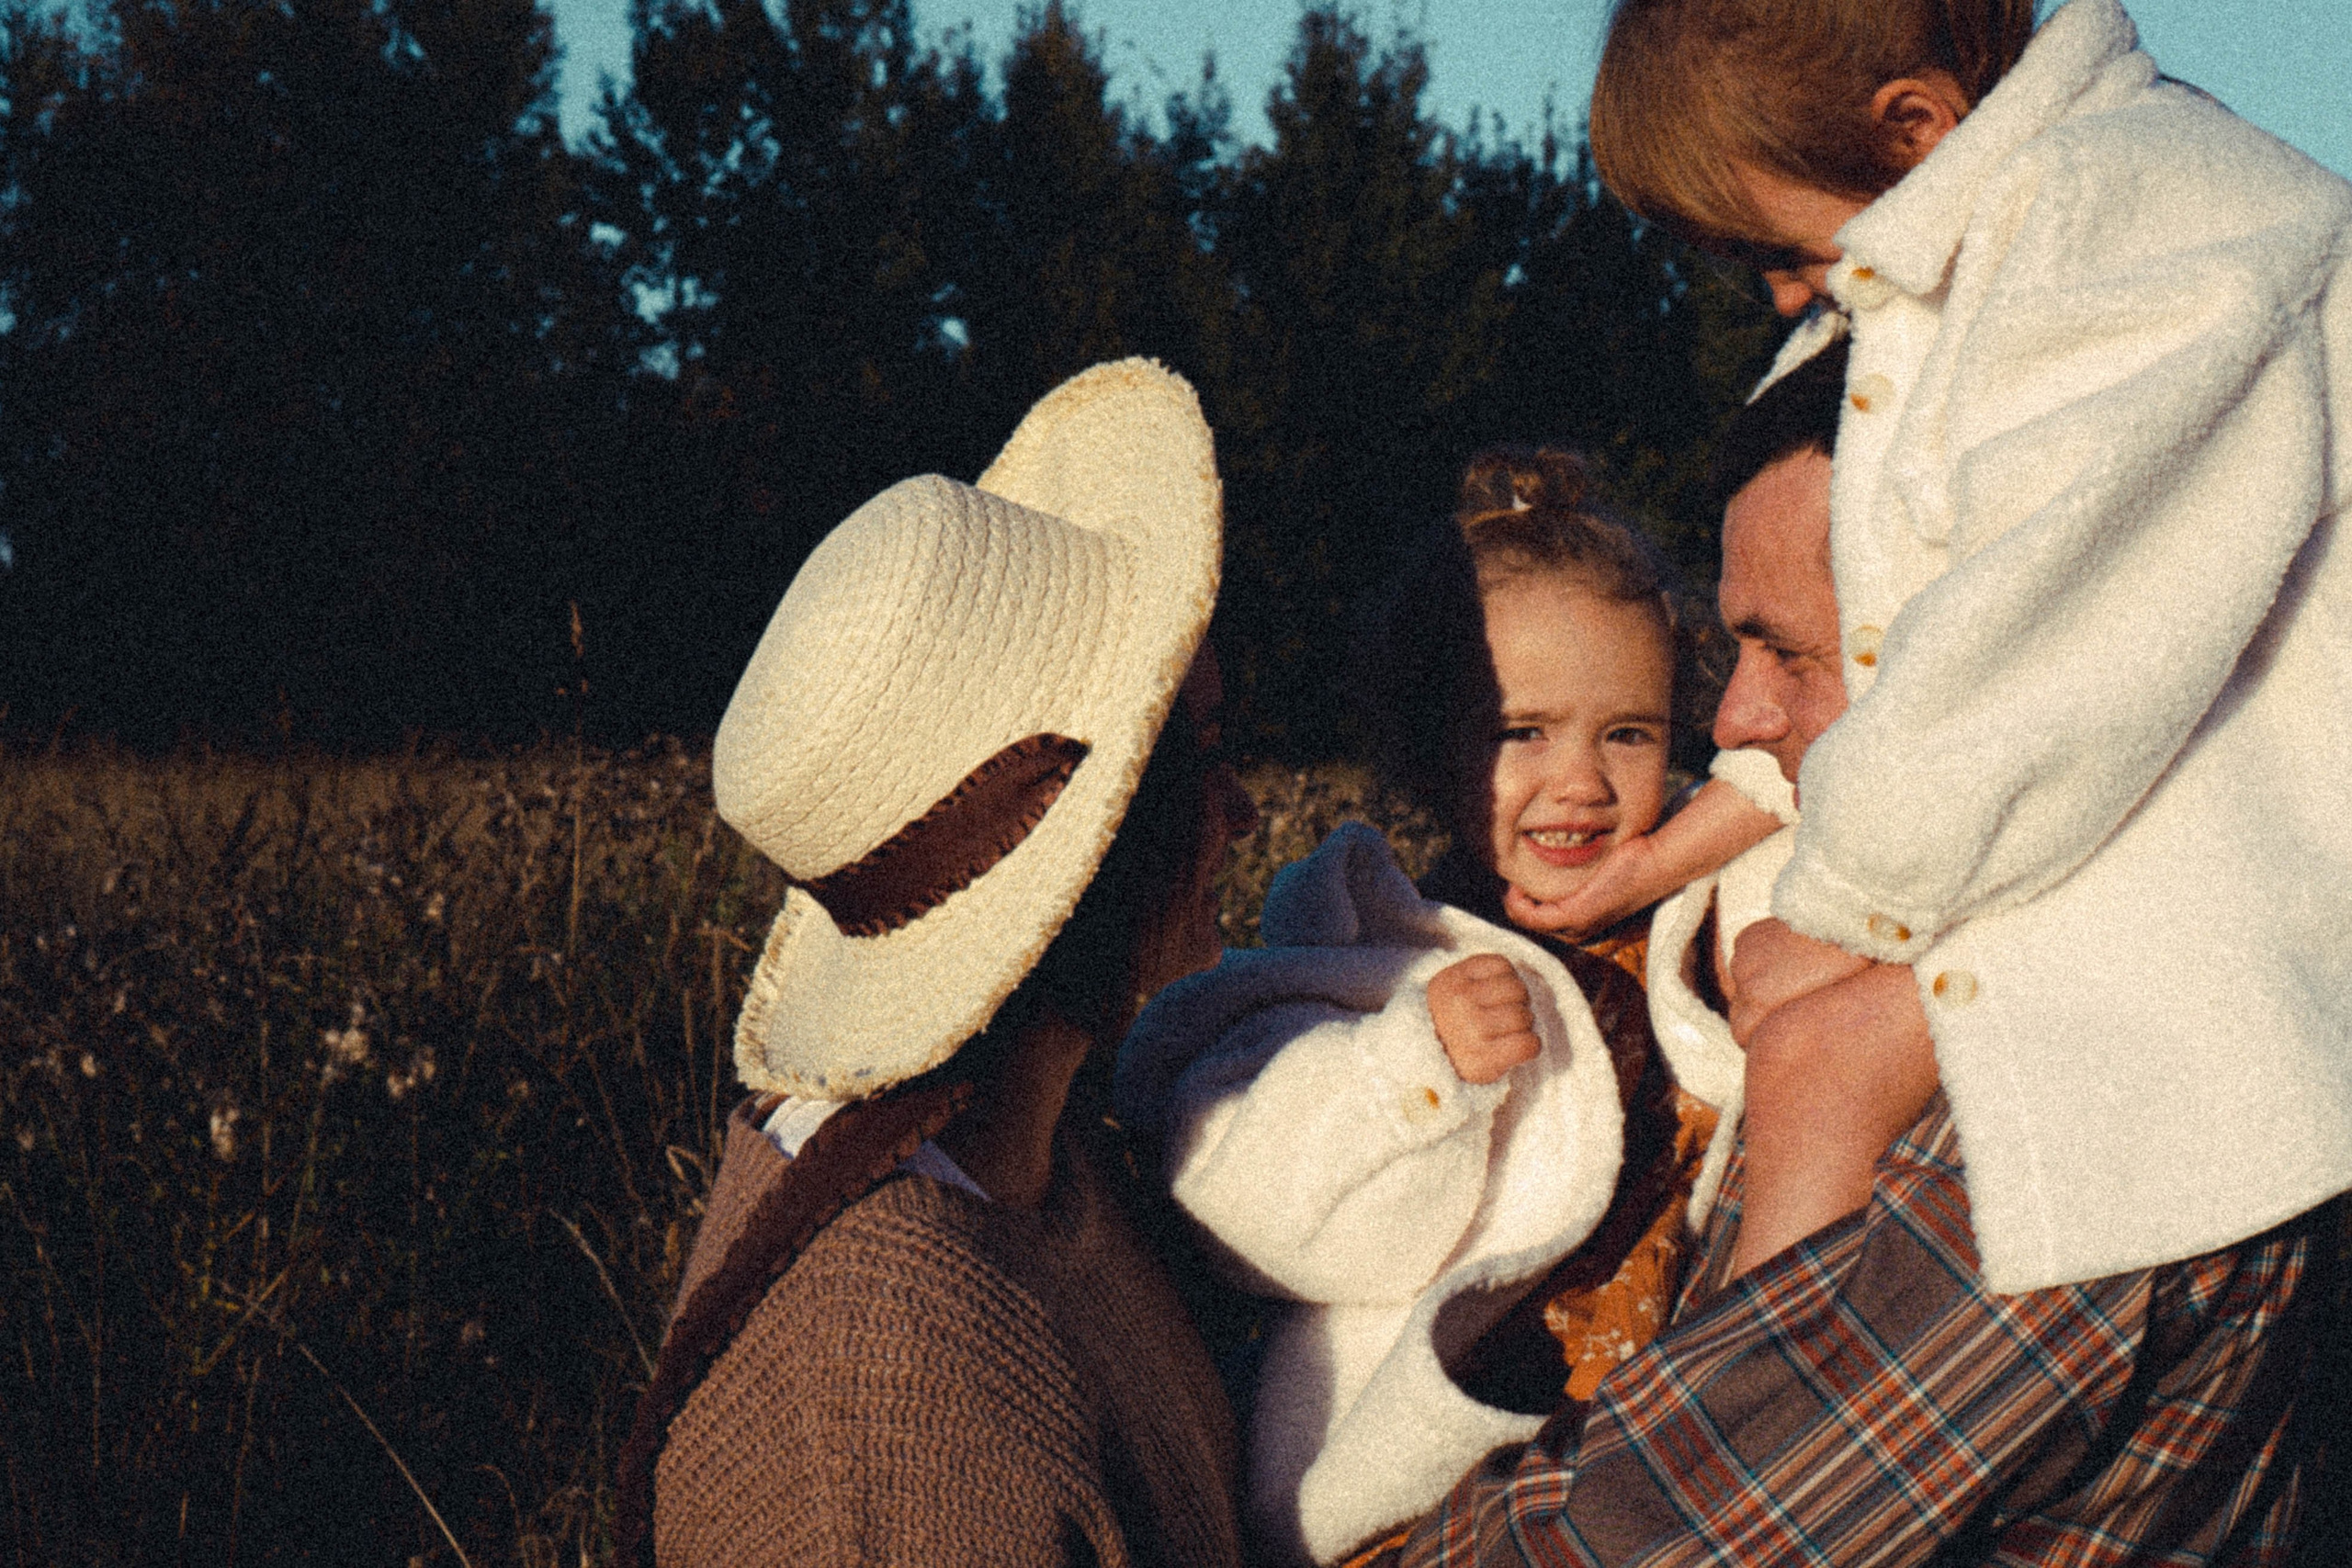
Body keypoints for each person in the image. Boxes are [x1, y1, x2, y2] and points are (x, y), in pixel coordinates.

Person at [1386, 316, 2337, 1568]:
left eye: (1791, 650)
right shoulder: (1922, 962)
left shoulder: (2064, 1098)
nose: (1733, 716)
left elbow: (1653, 1535)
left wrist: (1816, 1090)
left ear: (1986, 653)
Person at [1586, 0, 2352, 1297]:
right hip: (2145, 870)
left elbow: (2049, 638)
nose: (1784, 293)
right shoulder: (2023, 229)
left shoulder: (2144, 219)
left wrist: (1844, 906)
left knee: (1822, 1062)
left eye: (1779, 248)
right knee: (1811, 1058)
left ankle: (1766, 1401)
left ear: (1916, 127)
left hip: (2241, 936)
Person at [611, 359, 1255, 1568]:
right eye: (1204, 753)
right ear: (1092, 836)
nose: (1245, 812)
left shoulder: (1033, 1156)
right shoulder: (883, 1420)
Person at [1115, 451, 1766, 1565]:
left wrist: (1693, 848)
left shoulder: (1699, 911)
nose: (1581, 783)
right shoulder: (1372, 948)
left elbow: (1833, 762)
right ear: (1428, 750)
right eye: (1522, 732)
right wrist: (1412, 1074)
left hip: (1659, 1425)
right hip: (1440, 1463)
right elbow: (1243, 1195)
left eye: (1628, 733)